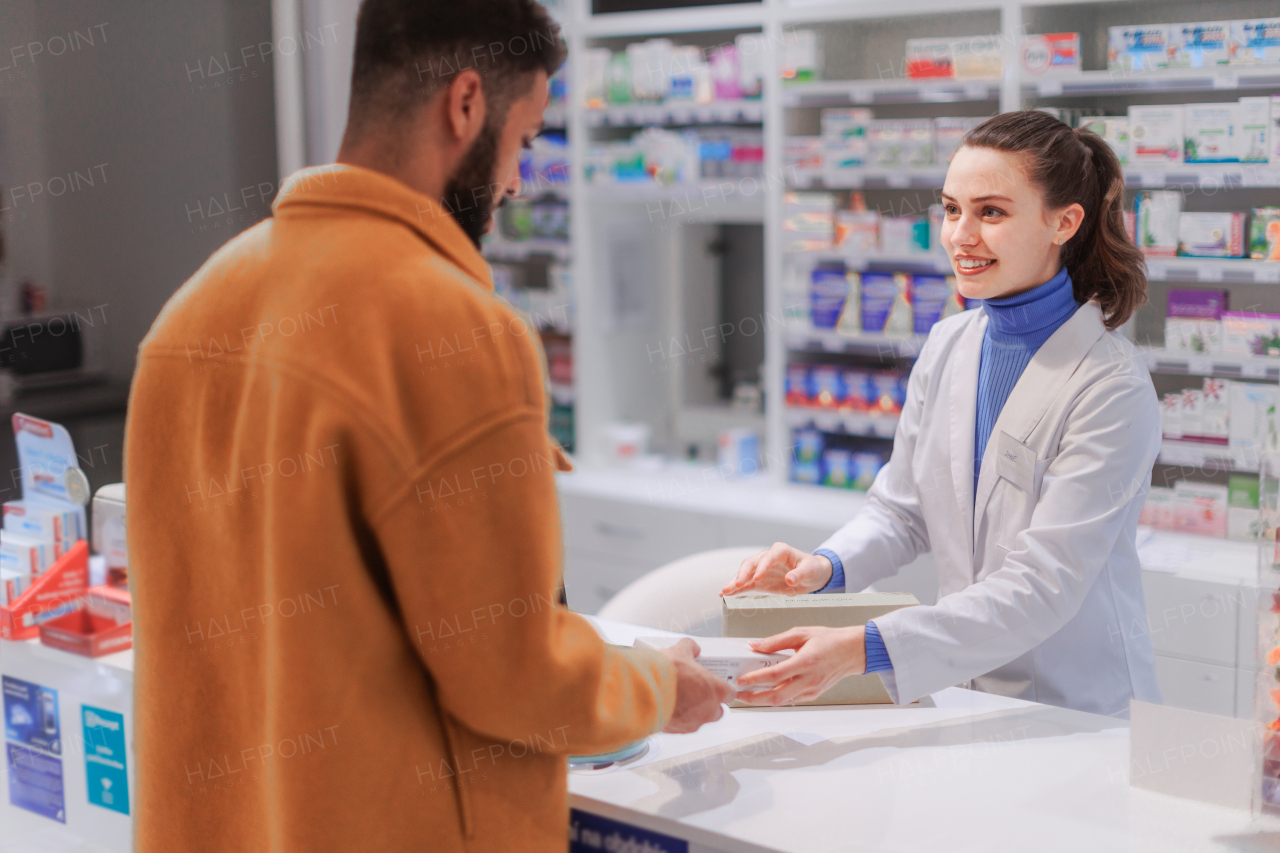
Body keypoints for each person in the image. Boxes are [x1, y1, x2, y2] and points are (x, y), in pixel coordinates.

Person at [126, 2, 731, 851]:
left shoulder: (191, 312)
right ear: (466, 104)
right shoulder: (452, 325)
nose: (518, 180)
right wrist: (657, 684)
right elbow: (515, 677)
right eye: (524, 139)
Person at [723, 110, 1161, 719]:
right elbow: (902, 510)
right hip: (964, 686)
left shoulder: (1111, 385)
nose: (960, 234)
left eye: (992, 212)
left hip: (1076, 706)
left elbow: (1044, 584)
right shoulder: (949, 343)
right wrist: (823, 566)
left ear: (1064, 222)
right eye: (952, 208)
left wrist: (867, 648)